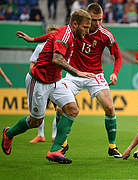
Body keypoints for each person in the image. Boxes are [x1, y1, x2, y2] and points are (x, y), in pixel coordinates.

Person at [17, 3, 123, 158]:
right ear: (86, 18)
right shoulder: (76, 29)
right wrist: (33, 40)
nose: (97, 24)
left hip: (95, 74)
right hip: (73, 74)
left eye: (100, 20)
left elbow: (118, 56)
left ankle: (112, 146)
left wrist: (115, 73)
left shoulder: (106, 34)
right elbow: (55, 35)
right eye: (94, 20)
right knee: (61, 109)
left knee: (109, 107)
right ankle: (62, 144)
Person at [2, 9, 95, 164]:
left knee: (72, 109)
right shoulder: (65, 35)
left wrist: (32, 39)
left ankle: (55, 150)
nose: (87, 30)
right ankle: (9, 133)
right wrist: (77, 72)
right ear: (75, 24)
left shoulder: (65, 31)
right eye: (85, 27)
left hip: (55, 81)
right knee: (35, 121)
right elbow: (57, 59)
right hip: (38, 81)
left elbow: (49, 36)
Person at [28, 25, 60, 144]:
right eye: (50, 34)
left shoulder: (60, 46)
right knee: (39, 111)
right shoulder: (40, 46)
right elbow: (33, 62)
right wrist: (34, 76)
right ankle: (40, 135)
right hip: (41, 82)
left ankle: (54, 135)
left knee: (59, 110)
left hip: (54, 82)